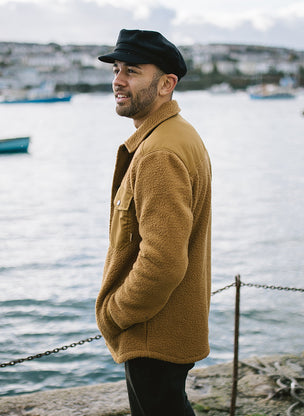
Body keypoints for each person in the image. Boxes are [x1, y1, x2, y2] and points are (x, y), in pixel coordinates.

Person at [95, 29, 212, 415]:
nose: (118, 80)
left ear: (166, 84)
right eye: (116, 69)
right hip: (163, 328)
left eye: (132, 71)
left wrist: (115, 314)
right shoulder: (175, 135)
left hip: (153, 332)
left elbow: (163, 261)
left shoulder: (160, 151)